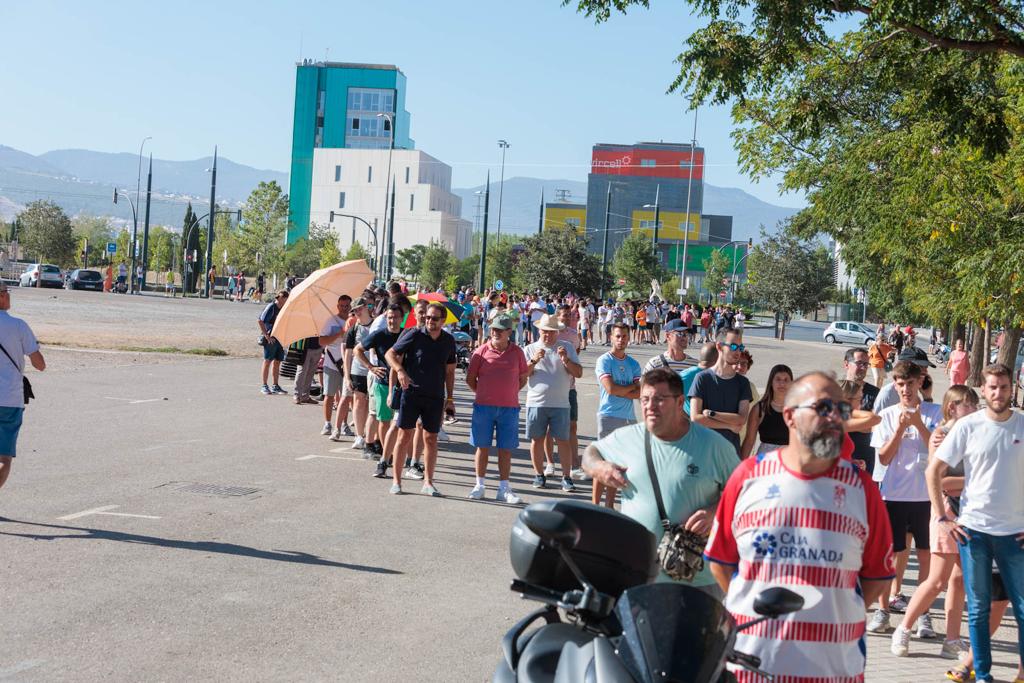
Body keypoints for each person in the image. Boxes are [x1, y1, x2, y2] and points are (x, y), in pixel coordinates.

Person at [705, 372, 895, 682]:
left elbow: (876, 577)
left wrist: (830, 611)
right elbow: (721, 562)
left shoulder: (862, 489)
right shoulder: (748, 476)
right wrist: (756, 606)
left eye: (842, 411)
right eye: (823, 409)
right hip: (752, 665)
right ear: (790, 416)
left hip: (833, 669)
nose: (835, 418)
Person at [583, 368, 739, 596]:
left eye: (659, 399)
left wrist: (715, 512)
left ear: (679, 402)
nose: (649, 406)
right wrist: (600, 467)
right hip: (636, 574)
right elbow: (590, 453)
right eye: (645, 399)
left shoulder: (714, 446)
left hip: (697, 578)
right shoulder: (628, 437)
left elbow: (746, 493)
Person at [929, 364, 1024, 683]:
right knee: (980, 609)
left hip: (1015, 536)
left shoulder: (1022, 426)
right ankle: (981, 674)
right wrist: (942, 517)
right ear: (983, 390)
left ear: (1013, 389)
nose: (999, 393)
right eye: (993, 387)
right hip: (975, 533)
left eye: (1004, 387)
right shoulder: (968, 426)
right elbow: (934, 471)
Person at [890, 385, 978, 660]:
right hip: (946, 513)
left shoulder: (974, 433)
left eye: (975, 405)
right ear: (952, 407)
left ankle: (952, 639)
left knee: (960, 579)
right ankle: (903, 629)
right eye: (969, 405)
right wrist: (975, 481)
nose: (974, 410)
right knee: (937, 579)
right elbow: (939, 480)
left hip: (970, 512)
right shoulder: (942, 435)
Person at [866, 360, 941, 635]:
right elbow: (883, 457)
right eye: (900, 384)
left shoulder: (936, 412)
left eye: (910, 383)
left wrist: (920, 425)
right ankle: (883, 611)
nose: (906, 389)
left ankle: (923, 614)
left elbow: (939, 455)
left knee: (925, 557)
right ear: (894, 386)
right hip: (893, 495)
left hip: (926, 497)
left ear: (920, 382)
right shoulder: (886, 415)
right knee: (891, 555)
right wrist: (899, 429)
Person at [384, 302, 456, 496]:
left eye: (434, 318)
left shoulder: (448, 341)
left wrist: (450, 398)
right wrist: (400, 371)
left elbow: (450, 371)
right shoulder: (414, 334)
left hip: (435, 396)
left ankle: (428, 482)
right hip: (411, 393)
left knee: (431, 438)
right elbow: (390, 354)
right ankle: (397, 482)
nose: (429, 321)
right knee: (404, 435)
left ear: (443, 321)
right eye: (427, 317)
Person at [465, 314, 529, 502]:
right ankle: (480, 485)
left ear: (509, 332)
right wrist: (483, 392)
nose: (495, 332)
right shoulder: (480, 351)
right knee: (482, 447)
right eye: (493, 328)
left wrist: (508, 392)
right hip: (483, 407)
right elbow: (470, 379)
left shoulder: (517, 352)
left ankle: (504, 488)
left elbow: (523, 378)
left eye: (500, 329)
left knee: (505, 449)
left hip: (509, 408)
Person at [524, 313, 583, 491]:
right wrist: (534, 360)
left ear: (558, 332)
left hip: (561, 403)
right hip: (536, 403)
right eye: (544, 331)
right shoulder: (529, 349)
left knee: (563, 441)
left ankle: (566, 477)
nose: (547, 335)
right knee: (537, 440)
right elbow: (521, 374)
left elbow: (578, 373)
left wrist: (566, 359)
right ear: (539, 330)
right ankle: (539, 475)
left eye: (551, 332)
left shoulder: (567, 347)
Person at [0, 284, 46, 493]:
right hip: (9, 399)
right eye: (7, 293)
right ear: (1, 297)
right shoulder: (18, 326)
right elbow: (39, 364)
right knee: (3, 458)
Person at [689, 329, 752, 454]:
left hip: (730, 453)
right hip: (703, 452)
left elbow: (741, 419)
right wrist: (729, 425)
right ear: (719, 346)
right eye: (733, 346)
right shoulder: (702, 378)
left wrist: (711, 414)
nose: (738, 351)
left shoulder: (743, 383)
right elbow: (696, 418)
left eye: (740, 347)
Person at [358, 304, 403, 477]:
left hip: (402, 384)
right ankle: (387, 454)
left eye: (395, 317)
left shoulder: (406, 334)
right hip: (383, 383)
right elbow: (357, 350)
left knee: (399, 423)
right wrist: (371, 367)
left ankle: (397, 455)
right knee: (384, 421)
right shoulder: (379, 334)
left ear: (401, 318)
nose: (392, 320)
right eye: (389, 317)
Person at [739, 364, 793, 458]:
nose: (782, 383)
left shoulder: (797, 409)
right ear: (771, 382)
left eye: (786, 380)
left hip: (790, 460)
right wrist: (741, 467)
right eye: (778, 379)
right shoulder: (759, 409)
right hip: (765, 460)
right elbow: (749, 441)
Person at [318, 295, 353, 438]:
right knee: (329, 394)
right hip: (331, 362)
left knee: (345, 396)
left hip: (348, 363)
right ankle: (327, 423)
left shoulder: (353, 321)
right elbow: (322, 341)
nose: (344, 308)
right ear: (338, 306)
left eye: (347, 306)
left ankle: (344, 424)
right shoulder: (330, 321)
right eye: (342, 306)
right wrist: (339, 333)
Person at [842, 347, 880, 473]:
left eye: (866, 364)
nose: (863, 368)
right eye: (859, 363)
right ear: (846, 364)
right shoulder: (834, 390)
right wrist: (863, 422)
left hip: (865, 457)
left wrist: (842, 423)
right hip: (837, 457)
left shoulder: (875, 393)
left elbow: (876, 425)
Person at [343, 298, 373, 451]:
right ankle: (359, 436)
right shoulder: (353, 329)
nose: (358, 312)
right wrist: (347, 376)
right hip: (357, 370)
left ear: (367, 307)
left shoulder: (377, 325)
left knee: (370, 404)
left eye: (360, 308)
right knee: (359, 401)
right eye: (355, 310)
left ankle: (369, 434)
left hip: (374, 370)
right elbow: (347, 354)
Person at [258, 290, 290, 395]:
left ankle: (275, 385)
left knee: (277, 361)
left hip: (280, 338)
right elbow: (260, 320)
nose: (284, 300)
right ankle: (264, 385)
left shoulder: (285, 309)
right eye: (282, 298)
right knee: (267, 361)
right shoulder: (271, 307)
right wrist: (266, 336)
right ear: (279, 298)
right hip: (271, 338)